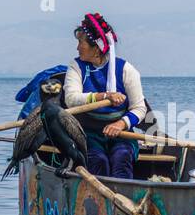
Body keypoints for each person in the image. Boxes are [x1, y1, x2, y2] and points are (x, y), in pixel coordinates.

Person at [62, 13, 148, 179]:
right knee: (97, 161)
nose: (77, 48)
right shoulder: (76, 66)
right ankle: (100, 202)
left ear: (96, 48)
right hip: (88, 133)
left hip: (122, 135)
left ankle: (122, 200)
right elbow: (71, 99)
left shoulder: (126, 70)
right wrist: (103, 96)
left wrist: (121, 124)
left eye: (81, 43)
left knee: (121, 157)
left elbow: (139, 108)